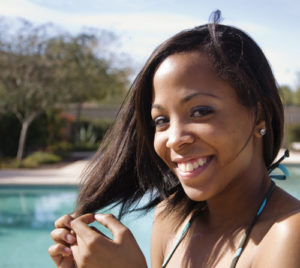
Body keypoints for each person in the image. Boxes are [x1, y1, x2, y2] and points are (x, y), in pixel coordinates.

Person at [48, 10, 300, 268]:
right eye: (161, 121)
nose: (174, 139)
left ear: (260, 115)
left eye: (200, 112)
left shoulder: (289, 234)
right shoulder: (171, 219)